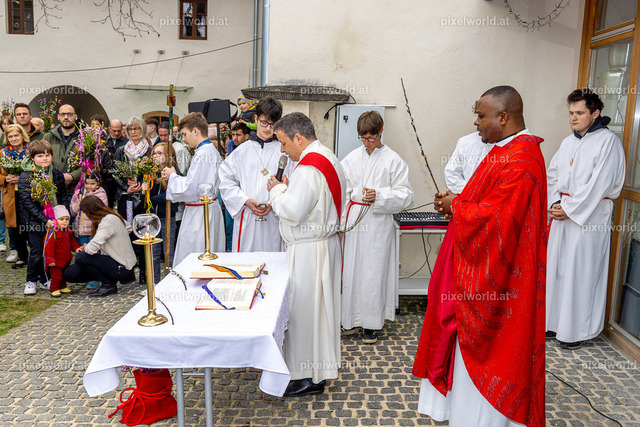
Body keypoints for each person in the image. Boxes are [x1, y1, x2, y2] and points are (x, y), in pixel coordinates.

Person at [413, 86, 546, 426]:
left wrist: (455, 206)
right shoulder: (505, 149)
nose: (476, 122)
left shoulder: (522, 157)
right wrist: (457, 202)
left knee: (495, 351)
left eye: (481, 116)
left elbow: (499, 218)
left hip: (502, 277)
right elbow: (485, 200)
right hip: (476, 262)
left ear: (503, 117)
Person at [267, 112, 346, 397]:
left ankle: (306, 376)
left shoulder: (308, 167)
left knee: (304, 312)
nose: (282, 150)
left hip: (310, 250)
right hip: (322, 245)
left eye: (284, 142)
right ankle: (316, 371)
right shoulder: (328, 157)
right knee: (319, 312)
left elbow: (293, 211)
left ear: (298, 138)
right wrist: (289, 189)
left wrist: (277, 191)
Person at [546, 89, 626, 350]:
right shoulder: (567, 142)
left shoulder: (608, 142)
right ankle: (554, 323)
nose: (573, 117)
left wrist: (570, 208)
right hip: (563, 213)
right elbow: (552, 175)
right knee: (558, 268)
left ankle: (575, 331)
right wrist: (555, 203)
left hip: (589, 218)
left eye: (580, 113)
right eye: (571, 113)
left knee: (581, 272)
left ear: (595, 113)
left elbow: (599, 183)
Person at [340, 111, 414, 344]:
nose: (367, 143)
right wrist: (341, 221)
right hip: (354, 222)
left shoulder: (393, 160)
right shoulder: (351, 158)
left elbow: (406, 195)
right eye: (363, 138)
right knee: (351, 271)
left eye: (371, 138)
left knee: (373, 273)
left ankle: (371, 324)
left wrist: (380, 195)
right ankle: (349, 320)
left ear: (381, 132)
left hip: (377, 224)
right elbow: (342, 191)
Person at [219, 97, 293, 252]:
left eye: (273, 124)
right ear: (255, 118)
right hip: (248, 217)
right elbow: (226, 181)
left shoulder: (285, 152)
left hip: (274, 217)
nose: (268, 128)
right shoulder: (241, 151)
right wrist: (244, 200)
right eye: (264, 122)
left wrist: (272, 203)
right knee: (246, 261)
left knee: (274, 261)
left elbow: (293, 182)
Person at [161, 112, 225, 267]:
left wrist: (173, 176)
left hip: (200, 214)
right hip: (205, 209)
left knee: (195, 256)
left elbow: (192, 189)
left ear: (195, 131)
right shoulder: (208, 151)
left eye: (184, 134)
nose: (183, 139)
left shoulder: (204, 154)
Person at [18, 139, 68, 295]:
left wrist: (62, 216)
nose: (45, 158)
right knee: (37, 252)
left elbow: (63, 195)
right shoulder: (26, 175)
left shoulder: (56, 173)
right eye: (40, 156)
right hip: (34, 221)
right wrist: (44, 219)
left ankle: (45, 278)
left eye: (47, 155)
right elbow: (27, 202)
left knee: (50, 252)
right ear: (32, 158)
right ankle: (31, 281)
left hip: (55, 220)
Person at [63, 195, 136, 297]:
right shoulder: (111, 216)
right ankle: (108, 279)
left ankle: (108, 284)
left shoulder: (108, 220)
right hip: (115, 261)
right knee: (70, 274)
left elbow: (91, 249)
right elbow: (128, 228)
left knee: (81, 257)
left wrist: (85, 247)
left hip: (123, 267)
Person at [142, 143, 178, 283]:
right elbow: (144, 200)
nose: (155, 156)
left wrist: (151, 198)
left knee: (168, 252)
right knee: (154, 253)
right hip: (152, 218)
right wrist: (144, 191)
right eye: (154, 153)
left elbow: (170, 195)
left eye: (159, 153)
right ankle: (154, 283)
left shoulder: (173, 172)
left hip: (167, 217)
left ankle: (170, 282)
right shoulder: (150, 172)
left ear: (168, 155)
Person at [0, 125, 30, 267]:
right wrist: (5, 179)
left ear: (22, 135)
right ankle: (22, 256)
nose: (14, 138)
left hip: (29, 192)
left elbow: (40, 170)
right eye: (10, 136)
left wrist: (22, 178)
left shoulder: (31, 150)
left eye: (16, 135)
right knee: (15, 227)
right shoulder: (3, 153)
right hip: (11, 194)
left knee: (31, 225)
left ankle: (37, 255)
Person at [113, 116, 153, 223]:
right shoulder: (121, 150)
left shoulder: (150, 151)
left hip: (143, 195)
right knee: (126, 226)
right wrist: (127, 187)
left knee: (141, 225)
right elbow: (115, 173)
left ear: (142, 129)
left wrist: (140, 185)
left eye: (136, 129)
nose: (133, 132)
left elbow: (152, 172)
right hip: (125, 195)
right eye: (130, 129)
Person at [44, 205, 80, 297]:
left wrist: (76, 248)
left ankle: (63, 286)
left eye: (67, 219)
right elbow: (49, 248)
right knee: (56, 276)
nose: (65, 221)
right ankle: (54, 289)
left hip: (65, 260)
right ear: (55, 221)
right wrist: (50, 259)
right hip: (56, 261)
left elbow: (72, 242)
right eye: (61, 219)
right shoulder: (54, 233)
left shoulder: (68, 231)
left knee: (63, 274)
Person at [43, 104, 81, 189]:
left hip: (76, 189)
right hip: (52, 187)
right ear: (58, 117)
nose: (66, 117)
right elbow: (40, 159)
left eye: (69, 114)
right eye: (63, 114)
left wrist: (73, 176)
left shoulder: (83, 137)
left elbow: (90, 163)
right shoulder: (48, 137)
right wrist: (55, 175)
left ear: (75, 117)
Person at [70, 172, 108, 245]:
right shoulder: (78, 193)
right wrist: (77, 206)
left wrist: (86, 202)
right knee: (81, 250)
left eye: (92, 184)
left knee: (92, 250)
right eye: (86, 183)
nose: (89, 186)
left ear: (98, 183)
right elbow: (72, 212)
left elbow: (102, 212)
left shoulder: (100, 194)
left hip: (93, 231)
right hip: (79, 231)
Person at [105, 119, 127, 207]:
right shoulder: (104, 141)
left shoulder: (126, 142)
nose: (116, 133)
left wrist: (111, 154)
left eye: (119, 131)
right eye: (114, 131)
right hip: (107, 178)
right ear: (109, 129)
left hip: (121, 179)